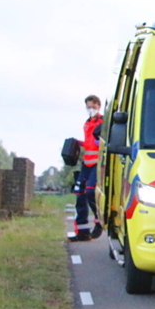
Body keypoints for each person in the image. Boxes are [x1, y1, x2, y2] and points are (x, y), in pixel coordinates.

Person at [69, 95, 104, 242]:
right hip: (86, 163)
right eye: (88, 107)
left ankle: (99, 220)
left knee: (91, 192)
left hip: (97, 163)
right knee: (80, 195)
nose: (90, 109)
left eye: (93, 106)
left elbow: (102, 141)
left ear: (98, 106)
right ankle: (82, 232)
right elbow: (89, 144)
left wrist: (99, 141)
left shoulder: (103, 122)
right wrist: (77, 143)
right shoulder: (87, 123)